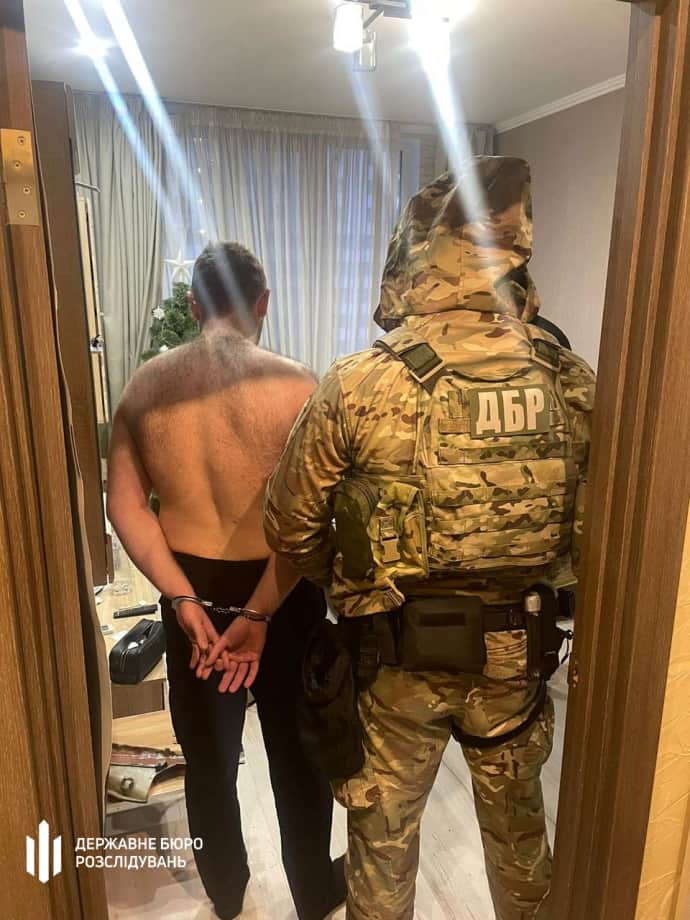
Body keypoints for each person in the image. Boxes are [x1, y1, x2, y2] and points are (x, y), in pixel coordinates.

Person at [261, 158, 596, 920]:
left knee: (382, 856)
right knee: (521, 846)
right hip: (516, 660)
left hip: (395, 668)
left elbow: (288, 526)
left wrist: (351, 578)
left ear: (416, 258)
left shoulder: (360, 383)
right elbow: (598, 535)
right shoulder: (571, 380)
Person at [106, 241, 345, 920]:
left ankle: (227, 890)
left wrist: (182, 599)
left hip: (194, 592)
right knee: (299, 754)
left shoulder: (145, 387)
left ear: (193, 306)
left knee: (208, 758)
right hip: (282, 589)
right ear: (262, 303)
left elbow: (124, 505)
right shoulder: (300, 386)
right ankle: (313, 890)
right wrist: (262, 611)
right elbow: (315, 517)